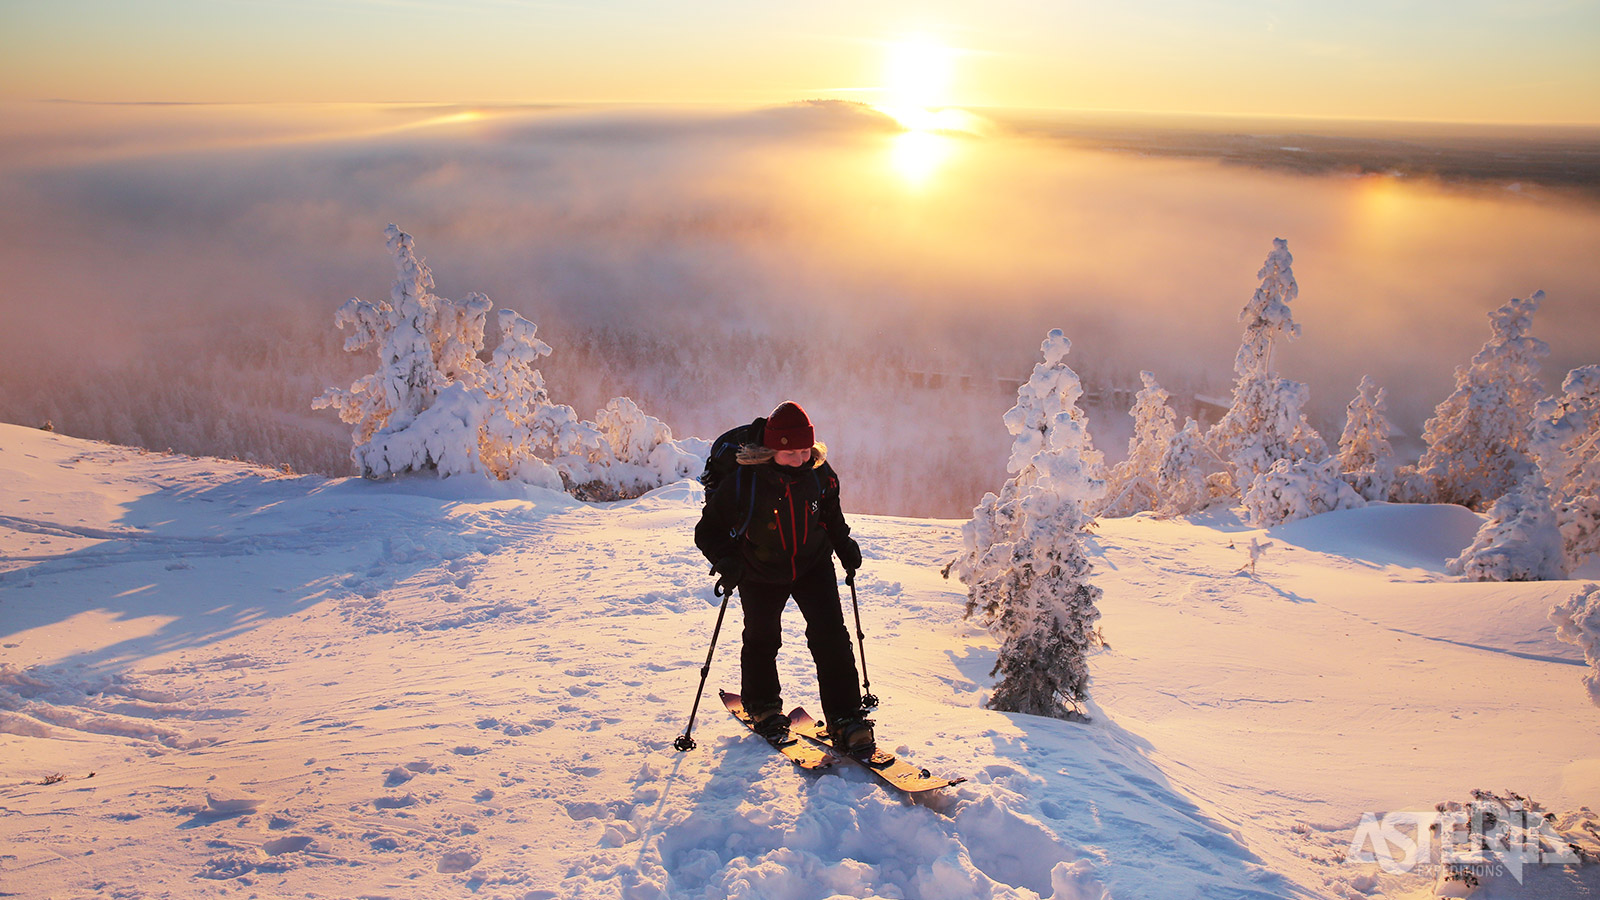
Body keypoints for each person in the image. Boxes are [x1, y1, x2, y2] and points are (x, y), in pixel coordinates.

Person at [694, 400, 873, 753]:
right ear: (771, 449)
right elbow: (708, 531)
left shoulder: (819, 472)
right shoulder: (744, 482)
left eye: (806, 451)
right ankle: (762, 709)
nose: (800, 460)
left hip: (812, 565)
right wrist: (727, 561)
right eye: (791, 454)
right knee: (763, 639)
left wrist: (843, 542)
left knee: (832, 639)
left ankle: (847, 718)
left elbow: (830, 513)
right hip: (759, 571)